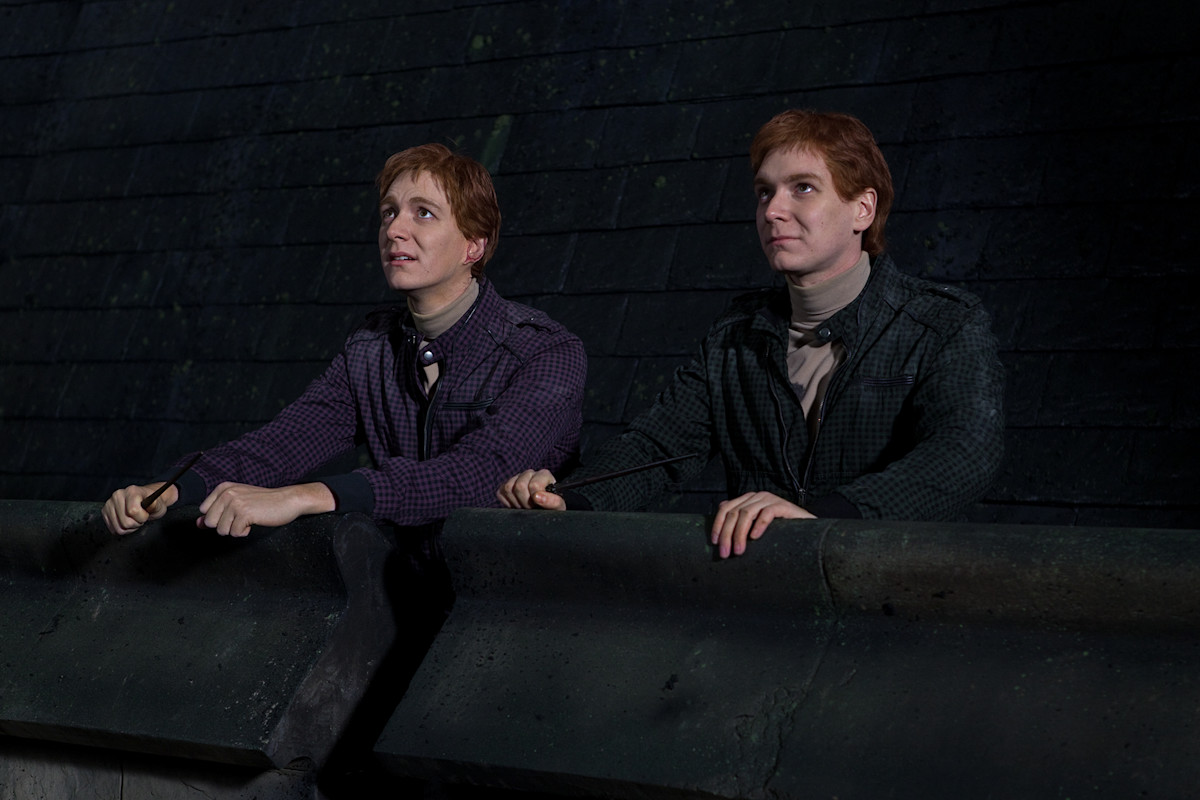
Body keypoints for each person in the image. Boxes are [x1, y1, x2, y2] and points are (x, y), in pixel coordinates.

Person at [498, 109, 1005, 559]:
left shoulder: (943, 324)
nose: (773, 210)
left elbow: (964, 454)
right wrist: (568, 497)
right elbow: (658, 448)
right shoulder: (734, 338)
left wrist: (826, 518)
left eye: (802, 188)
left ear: (863, 209)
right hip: (766, 605)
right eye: (765, 192)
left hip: (893, 598)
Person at [103, 143, 587, 542]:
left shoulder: (546, 353)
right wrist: (171, 489)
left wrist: (306, 496)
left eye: (423, 213)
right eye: (389, 212)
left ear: (473, 245)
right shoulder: (370, 348)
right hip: (405, 592)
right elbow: (282, 444)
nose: (394, 230)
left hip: (513, 603)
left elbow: (478, 475)